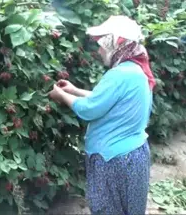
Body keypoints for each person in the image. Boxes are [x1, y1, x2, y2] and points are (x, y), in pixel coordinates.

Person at [48, 15, 156, 214]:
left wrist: (61, 95)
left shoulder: (118, 75)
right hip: (135, 154)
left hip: (112, 159)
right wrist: (73, 90)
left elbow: (89, 110)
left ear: (114, 43)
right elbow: (107, 100)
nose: (98, 50)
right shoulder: (136, 71)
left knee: (107, 210)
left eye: (102, 44)